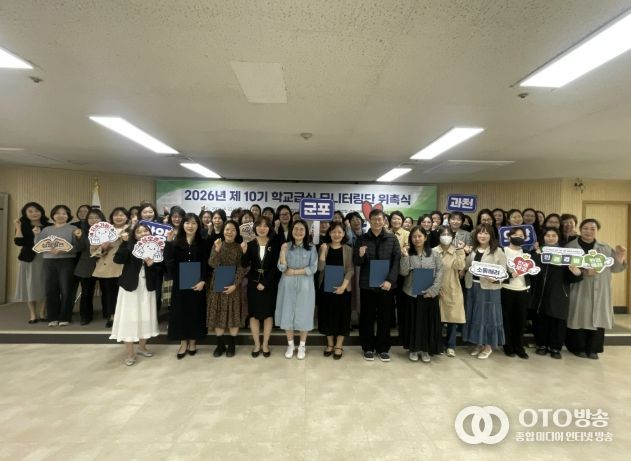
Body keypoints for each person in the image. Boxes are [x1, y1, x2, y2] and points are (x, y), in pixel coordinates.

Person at [565, 219, 627, 359]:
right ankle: (577, 347)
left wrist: (620, 255)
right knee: (579, 316)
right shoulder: (571, 247)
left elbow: (615, 268)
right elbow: (564, 269)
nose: (589, 231)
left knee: (598, 318)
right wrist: (583, 272)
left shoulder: (604, 247)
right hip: (580, 287)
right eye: (585, 228)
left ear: (597, 230)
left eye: (592, 229)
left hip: (601, 288)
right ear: (580, 229)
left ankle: (593, 349)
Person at [353, 209, 401, 362]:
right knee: (366, 317)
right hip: (367, 284)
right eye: (374, 219)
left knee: (385, 317)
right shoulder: (362, 239)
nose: (377, 222)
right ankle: (367, 347)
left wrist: (390, 280)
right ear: (369, 220)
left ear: (384, 221)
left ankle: (383, 348)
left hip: (386, 285)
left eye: (380, 219)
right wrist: (360, 255)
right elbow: (356, 262)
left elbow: (397, 261)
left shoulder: (392, 238)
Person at [110, 223, 160, 366]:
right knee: (129, 317)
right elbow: (118, 259)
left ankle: (142, 347)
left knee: (146, 316)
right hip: (130, 287)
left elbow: (162, 268)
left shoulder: (155, 246)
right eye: (139, 232)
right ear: (134, 235)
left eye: (146, 231)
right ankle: (130, 353)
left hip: (147, 287)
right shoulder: (129, 245)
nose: (143, 233)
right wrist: (125, 243)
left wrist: (152, 264)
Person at [530, 228, 582, 359]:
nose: (550, 238)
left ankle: (555, 348)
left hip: (559, 293)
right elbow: (531, 271)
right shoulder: (537, 252)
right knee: (540, 321)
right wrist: (537, 254)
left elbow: (571, 278)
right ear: (543, 237)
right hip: (540, 293)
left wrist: (576, 273)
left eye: (554, 235)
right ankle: (541, 345)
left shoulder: (565, 253)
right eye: (547, 235)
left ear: (558, 238)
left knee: (557, 321)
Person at [165, 213, 209, 359]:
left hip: (198, 284)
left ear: (198, 225)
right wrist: (168, 243)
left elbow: (207, 264)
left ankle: (193, 342)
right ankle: (183, 343)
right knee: (181, 313)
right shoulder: (176, 243)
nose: (190, 226)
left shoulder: (204, 243)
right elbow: (168, 262)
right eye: (187, 223)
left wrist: (203, 281)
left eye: (194, 223)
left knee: (195, 312)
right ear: (183, 225)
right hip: (180, 284)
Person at [399, 226, 443, 363]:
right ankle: (413, 349)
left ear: (425, 237)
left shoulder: (435, 254)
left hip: (429, 294)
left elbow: (440, 272)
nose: (417, 239)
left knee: (427, 323)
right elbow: (403, 272)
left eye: (419, 236)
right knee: (413, 322)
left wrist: (433, 290)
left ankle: (425, 350)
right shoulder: (407, 253)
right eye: (414, 236)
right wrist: (405, 257)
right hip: (411, 293)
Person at [462, 224, 506, 359]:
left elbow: (504, 272)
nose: (482, 236)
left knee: (488, 317)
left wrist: (496, 279)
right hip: (472, 286)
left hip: (489, 289)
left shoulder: (498, 251)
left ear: (491, 235)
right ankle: (479, 344)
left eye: (486, 233)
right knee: (475, 316)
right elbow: (467, 267)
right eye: (480, 233)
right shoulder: (473, 250)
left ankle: (488, 346)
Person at [276, 219, 318, 360]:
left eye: (302, 229)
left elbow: (313, 268)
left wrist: (294, 271)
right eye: (296, 229)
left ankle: (302, 346)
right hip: (287, 286)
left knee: (304, 314)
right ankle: (290, 345)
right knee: (287, 313)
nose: (298, 232)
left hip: (305, 287)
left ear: (306, 232)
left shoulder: (311, 248)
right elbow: (282, 267)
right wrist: (282, 252)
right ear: (291, 231)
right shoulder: (286, 246)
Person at [34, 205, 80, 326]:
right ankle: (53, 317)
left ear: (68, 216)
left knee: (66, 290)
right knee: (50, 289)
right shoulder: (46, 229)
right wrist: (37, 234)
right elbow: (38, 245)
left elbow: (78, 246)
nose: (61, 216)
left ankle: (65, 317)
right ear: (53, 215)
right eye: (58, 213)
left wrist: (63, 250)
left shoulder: (73, 228)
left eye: (64, 213)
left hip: (67, 261)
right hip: (49, 261)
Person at [241, 216, 279, 358]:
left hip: (269, 285)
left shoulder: (274, 244)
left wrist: (265, 283)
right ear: (255, 227)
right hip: (253, 283)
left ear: (269, 228)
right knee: (254, 315)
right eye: (259, 225)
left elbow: (275, 267)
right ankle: (257, 344)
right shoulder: (250, 243)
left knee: (268, 315)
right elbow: (244, 264)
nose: (262, 228)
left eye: (265, 226)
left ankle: (265, 344)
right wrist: (244, 252)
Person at [208, 220, 245, 358]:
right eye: (227, 229)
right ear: (223, 231)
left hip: (234, 285)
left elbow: (242, 267)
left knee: (233, 315)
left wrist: (235, 284)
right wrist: (217, 250)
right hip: (218, 283)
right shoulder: (217, 244)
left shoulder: (240, 247)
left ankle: (232, 345)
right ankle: (220, 345)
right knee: (218, 314)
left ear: (237, 232)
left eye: (233, 230)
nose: (230, 232)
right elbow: (212, 263)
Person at [316, 222, 354, 360]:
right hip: (325, 288)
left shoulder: (348, 249)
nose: (336, 234)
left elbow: (350, 269)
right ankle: (330, 344)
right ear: (329, 233)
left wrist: (343, 286)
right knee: (327, 315)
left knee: (342, 316)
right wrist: (322, 252)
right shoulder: (324, 247)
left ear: (344, 234)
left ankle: (339, 345)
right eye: (334, 232)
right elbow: (320, 268)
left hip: (343, 288)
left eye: (339, 232)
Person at [91, 207, 129, 327]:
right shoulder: (103, 229)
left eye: (122, 215)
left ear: (127, 217)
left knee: (126, 294)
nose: (119, 217)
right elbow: (93, 251)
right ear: (111, 217)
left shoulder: (133, 229)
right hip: (107, 266)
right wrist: (103, 248)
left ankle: (125, 317)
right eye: (116, 215)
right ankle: (111, 316)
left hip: (126, 267)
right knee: (109, 293)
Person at [13, 202, 50, 323]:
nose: (34, 213)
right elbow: (19, 242)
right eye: (30, 211)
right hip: (29, 259)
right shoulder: (23, 225)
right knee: (30, 286)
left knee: (45, 285)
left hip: (46, 258)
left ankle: (42, 312)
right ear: (25, 213)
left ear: (41, 212)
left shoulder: (49, 226)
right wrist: (18, 226)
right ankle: (33, 315)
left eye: (37, 211)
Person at [434, 226, 466, 357]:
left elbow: (460, 266)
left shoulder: (456, 251)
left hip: (453, 288)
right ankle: (438, 344)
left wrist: (460, 251)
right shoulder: (433, 251)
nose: (445, 236)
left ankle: (451, 346)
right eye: (443, 234)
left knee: (453, 318)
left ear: (452, 237)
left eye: (448, 234)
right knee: (438, 319)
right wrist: (435, 288)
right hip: (437, 289)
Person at [501, 227, 532, 359]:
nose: (518, 237)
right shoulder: (502, 251)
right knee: (507, 320)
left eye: (521, 236)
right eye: (516, 235)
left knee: (520, 321)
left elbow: (533, 270)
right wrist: (511, 275)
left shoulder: (527, 253)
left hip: (523, 290)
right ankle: (508, 346)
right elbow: (498, 271)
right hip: (506, 289)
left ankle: (519, 347)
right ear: (509, 237)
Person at [74, 208, 106, 325]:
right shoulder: (82, 232)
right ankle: (85, 316)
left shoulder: (108, 231)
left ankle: (108, 314)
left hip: (104, 265)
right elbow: (79, 249)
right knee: (86, 292)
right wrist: (79, 238)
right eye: (91, 218)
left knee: (106, 291)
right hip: (86, 266)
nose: (94, 220)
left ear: (102, 219)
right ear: (87, 220)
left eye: (97, 217)